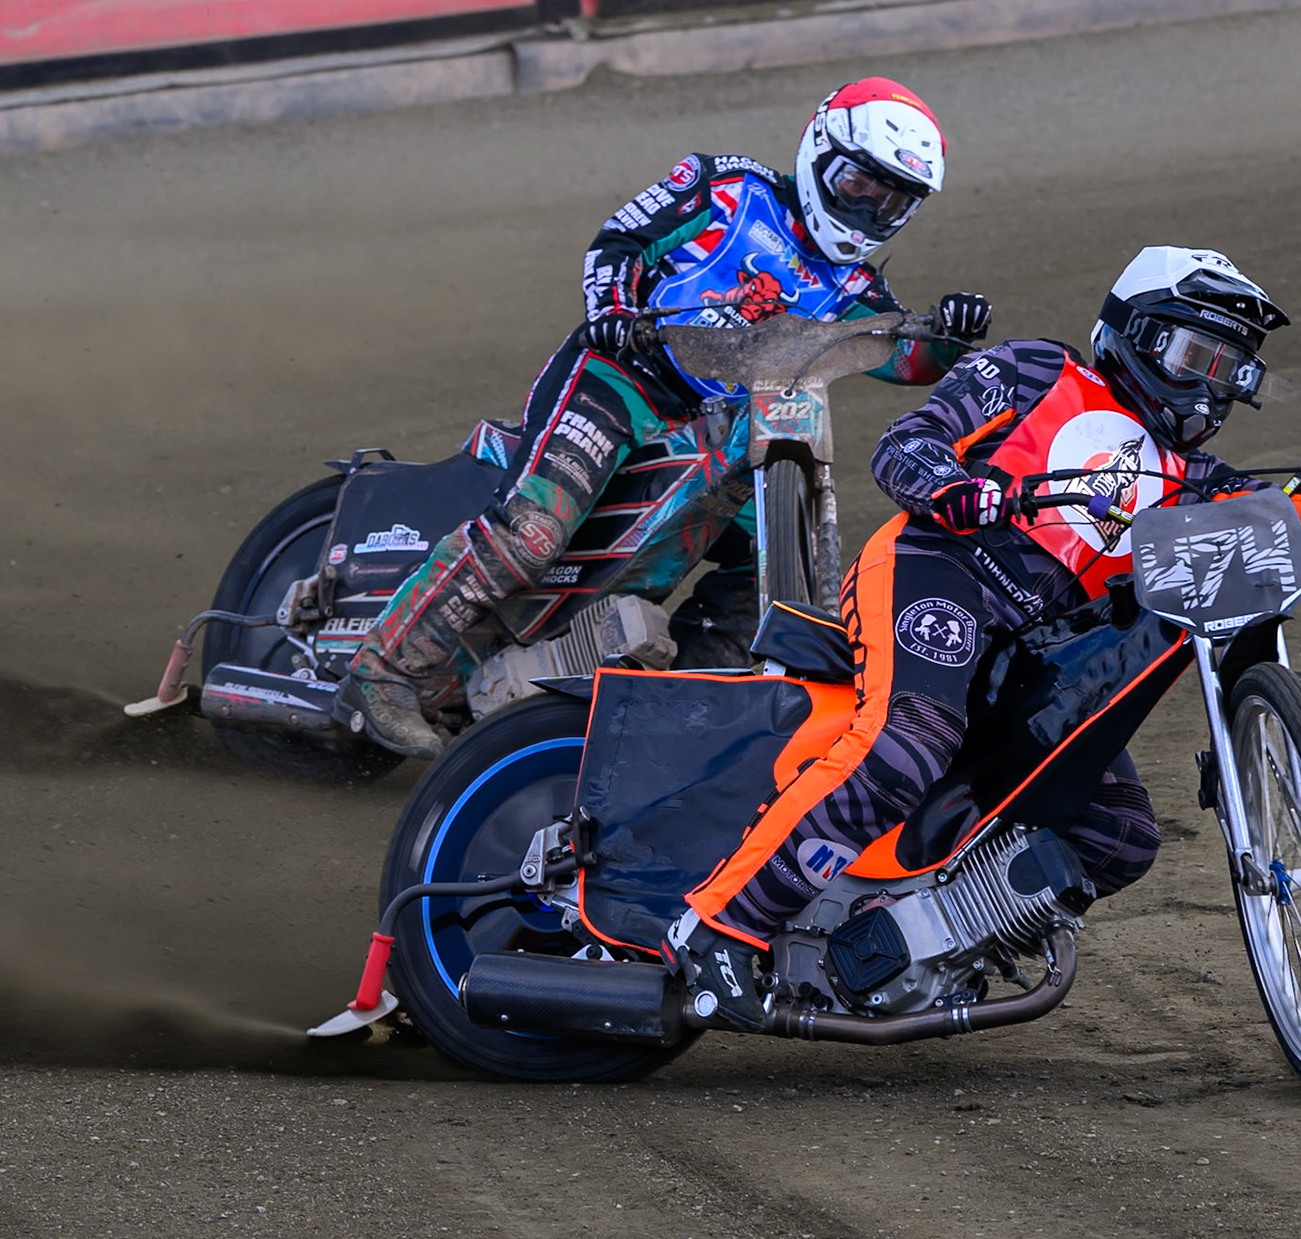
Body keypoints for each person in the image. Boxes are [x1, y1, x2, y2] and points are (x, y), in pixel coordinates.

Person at [662, 245, 1301, 1029]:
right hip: (940, 569)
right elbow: (908, 444)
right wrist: (957, 488)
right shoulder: (1037, 371)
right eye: (1196, 356)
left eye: (1230, 369)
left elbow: (1296, 527)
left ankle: (917, 939)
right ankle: (718, 925)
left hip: (1038, 658)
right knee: (910, 741)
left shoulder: (1199, 482)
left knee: (1119, 835)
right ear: (1137, 332)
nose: (1211, 385)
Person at [337, 76, 994, 758]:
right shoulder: (728, 188)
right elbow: (621, 240)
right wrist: (613, 310)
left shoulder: (858, 289)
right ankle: (384, 670)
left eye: (892, 199)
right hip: (619, 379)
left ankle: (677, 726)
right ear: (819, 151)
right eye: (859, 184)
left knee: (764, 575)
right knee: (532, 534)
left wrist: (950, 335)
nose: (870, 207)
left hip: (719, 432)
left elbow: (905, 360)